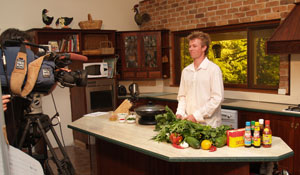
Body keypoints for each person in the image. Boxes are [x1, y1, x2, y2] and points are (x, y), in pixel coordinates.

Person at [175, 31, 224, 128]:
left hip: (209, 126)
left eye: (194, 46)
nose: (191, 49)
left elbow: (217, 98)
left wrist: (196, 116)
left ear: (204, 47)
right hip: (188, 124)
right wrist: (180, 112)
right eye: (189, 46)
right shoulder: (186, 71)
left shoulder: (213, 70)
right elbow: (182, 96)